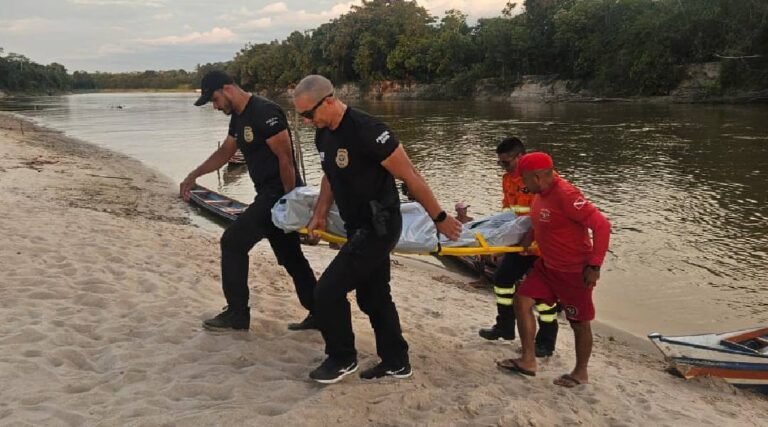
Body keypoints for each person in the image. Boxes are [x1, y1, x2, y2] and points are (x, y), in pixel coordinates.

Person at [293, 75, 462, 384]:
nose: (306, 121)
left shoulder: (369, 131)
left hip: (379, 226)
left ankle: (342, 357)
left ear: (328, 101)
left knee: (327, 291)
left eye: (308, 114)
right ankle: (397, 361)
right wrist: (318, 214)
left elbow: (411, 175)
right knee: (373, 298)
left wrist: (440, 218)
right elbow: (330, 177)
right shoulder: (323, 135)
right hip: (355, 226)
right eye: (301, 116)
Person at [180, 70, 318, 332]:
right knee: (291, 257)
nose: (215, 106)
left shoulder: (265, 112)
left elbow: (286, 159)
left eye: (215, 99)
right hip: (267, 195)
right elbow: (225, 152)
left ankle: (237, 314)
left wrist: (289, 201)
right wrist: (194, 175)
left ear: (227, 89)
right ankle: (320, 311)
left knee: (232, 242)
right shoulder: (239, 117)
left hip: (278, 195)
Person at [497, 152, 611, 388]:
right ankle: (528, 360)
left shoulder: (566, 195)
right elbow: (540, 222)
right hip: (547, 266)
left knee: (579, 323)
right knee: (522, 300)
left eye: (525, 179)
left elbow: (602, 226)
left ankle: (580, 373)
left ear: (537, 177)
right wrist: (525, 243)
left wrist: (594, 266)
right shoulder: (540, 194)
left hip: (573, 271)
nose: (522, 184)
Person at [479, 137, 559, 358]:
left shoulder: (541, 179)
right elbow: (509, 215)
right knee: (502, 281)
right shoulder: (508, 180)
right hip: (519, 244)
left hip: (543, 248)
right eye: (500, 163)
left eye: (506, 162)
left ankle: (546, 342)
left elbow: (546, 214)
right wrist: (498, 245)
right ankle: (505, 326)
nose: (503, 167)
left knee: (544, 297)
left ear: (520, 157)